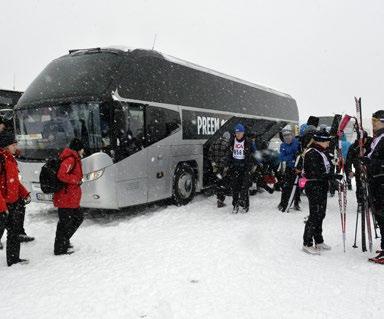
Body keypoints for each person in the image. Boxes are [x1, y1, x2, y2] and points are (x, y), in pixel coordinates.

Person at [302, 130, 341, 255]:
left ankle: (318, 240)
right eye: (327, 140)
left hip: (321, 185)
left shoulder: (321, 152)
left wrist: (333, 175)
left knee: (321, 213)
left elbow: (326, 168)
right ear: (320, 141)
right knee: (315, 214)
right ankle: (307, 243)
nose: (329, 142)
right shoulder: (312, 153)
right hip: (314, 186)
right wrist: (331, 176)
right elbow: (316, 172)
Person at [0, 133, 30, 266]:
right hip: (3, 204)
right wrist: (2, 206)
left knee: (14, 231)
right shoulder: (1, 159)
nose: (15, 147)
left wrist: (24, 193)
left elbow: (14, 182)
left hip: (12, 202)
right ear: (6, 146)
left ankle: (13, 260)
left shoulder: (11, 159)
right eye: (13, 144)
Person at [53, 138, 84, 255]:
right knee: (66, 222)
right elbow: (61, 175)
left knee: (74, 219)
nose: (83, 151)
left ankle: (63, 241)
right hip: (66, 197)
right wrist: (76, 180)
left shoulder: (74, 158)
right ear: (78, 149)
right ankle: (60, 248)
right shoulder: (70, 159)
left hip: (70, 197)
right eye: (82, 149)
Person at [363, 110, 384, 263]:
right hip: (375, 181)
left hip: (381, 182)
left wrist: (370, 163)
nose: (373, 124)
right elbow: (372, 156)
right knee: (379, 214)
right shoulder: (377, 139)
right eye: (372, 121)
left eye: (375, 121)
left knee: (382, 215)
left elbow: (379, 162)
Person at [227, 123, 253, 213]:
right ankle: (235, 205)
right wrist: (227, 163)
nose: (238, 135)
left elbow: (254, 153)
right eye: (236, 133)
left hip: (245, 167)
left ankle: (245, 205)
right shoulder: (232, 141)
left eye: (240, 133)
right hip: (234, 167)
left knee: (244, 187)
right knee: (234, 187)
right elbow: (228, 153)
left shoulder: (248, 142)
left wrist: (253, 164)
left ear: (243, 133)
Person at [345, 131, 372, 205]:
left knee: (371, 186)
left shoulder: (372, 144)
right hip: (359, 169)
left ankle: (371, 202)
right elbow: (348, 160)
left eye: (363, 139)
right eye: (359, 140)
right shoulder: (353, 147)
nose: (361, 142)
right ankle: (360, 202)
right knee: (360, 185)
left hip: (371, 170)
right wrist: (349, 171)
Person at [278, 128, 301, 211]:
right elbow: (282, 157)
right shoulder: (283, 145)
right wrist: (291, 157)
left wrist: (297, 157)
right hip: (289, 167)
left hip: (297, 168)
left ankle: (296, 203)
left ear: (292, 135)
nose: (287, 137)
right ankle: (283, 203)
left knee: (297, 186)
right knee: (286, 186)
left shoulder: (297, 143)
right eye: (285, 136)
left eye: (289, 135)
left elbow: (301, 154)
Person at [208, 131, 231, 208]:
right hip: (223, 167)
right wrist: (226, 166)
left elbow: (210, 154)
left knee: (218, 182)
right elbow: (228, 157)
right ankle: (221, 200)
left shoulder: (215, 142)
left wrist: (213, 163)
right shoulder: (227, 144)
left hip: (216, 167)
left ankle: (219, 199)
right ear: (228, 137)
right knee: (223, 183)